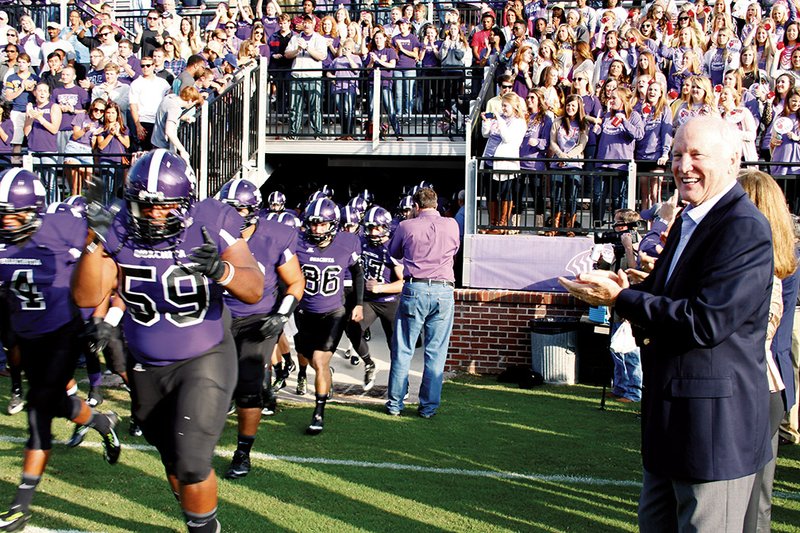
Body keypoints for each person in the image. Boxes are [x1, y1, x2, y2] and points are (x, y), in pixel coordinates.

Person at [560, 116, 774, 532]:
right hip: (670, 425)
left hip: (712, 434)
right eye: (677, 154)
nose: (683, 165)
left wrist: (621, 298)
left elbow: (705, 322)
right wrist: (623, 286)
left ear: (733, 161)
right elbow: (661, 298)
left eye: (697, 155)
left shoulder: (743, 227)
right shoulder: (690, 220)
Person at [71, 149, 264, 533]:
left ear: (186, 204)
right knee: (174, 463)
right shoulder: (116, 223)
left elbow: (254, 288)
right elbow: (86, 296)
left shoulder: (211, 218)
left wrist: (220, 269)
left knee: (192, 461)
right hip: (146, 365)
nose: (156, 214)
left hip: (203, 355)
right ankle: (199, 521)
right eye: (147, 206)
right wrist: (94, 240)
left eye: (167, 206)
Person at [0, 168, 121, 532]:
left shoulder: (61, 226)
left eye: (15, 214)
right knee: (57, 405)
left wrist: (97, 234)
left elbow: (107, 260)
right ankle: (103, 422)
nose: (7, 221)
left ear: (34, 211)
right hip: (26, 337)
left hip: (61, 335)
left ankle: (20, 506)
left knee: (38, 416)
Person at [216, 179, 303, 479]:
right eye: (227, 209)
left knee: (249, 386)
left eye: (238, 209)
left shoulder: (275, 236)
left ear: (252, 210)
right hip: (218, 316)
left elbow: (295, 282)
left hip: (257, 319)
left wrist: (281, 316)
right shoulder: (210, 234)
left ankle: (243, 451)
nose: (231, 216)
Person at [737, 169, 798, 533]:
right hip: (769, 384)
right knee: (756, 502)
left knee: (747, 502)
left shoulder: (765, 269)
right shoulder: (781, 262)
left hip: (754, 384)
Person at [386, 186, 460, 419]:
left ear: (416, 206)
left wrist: (410, 221)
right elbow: (455, 250)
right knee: (435, 353)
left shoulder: (406, 225)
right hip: (443, 289)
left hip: (415, 287)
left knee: (403, 350)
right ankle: (428, 408)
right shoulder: (452, 224)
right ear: (436, 204)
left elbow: (394, 251)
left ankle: (395, 405)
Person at [294, 197, 363, 434]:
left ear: (332, 224)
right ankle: (306, 373)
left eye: (322, 224)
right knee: (306, 355)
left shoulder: (348, 242)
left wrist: (359, 304)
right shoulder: (297, 242)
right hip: (304, 311)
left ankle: (318, 412)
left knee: (321, 360)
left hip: (333, 312)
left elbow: (358, 274)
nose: (317, 228)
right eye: (313, 223)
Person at [343, 205, 403, 391]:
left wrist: (381, 287)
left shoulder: (393, 247)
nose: (373, 232)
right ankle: (369, 363)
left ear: (386, 227)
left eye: (377, 228)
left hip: (391, 302)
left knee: (395, 346)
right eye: (369, 228)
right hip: (369, 300)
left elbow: (404, 282)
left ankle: (402, 383)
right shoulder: (362, 242)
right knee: (352, 329)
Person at [284, 14, 326, 140]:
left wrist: (307, 47)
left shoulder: (319, 39)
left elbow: (322, 56)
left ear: (314, 24)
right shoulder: (295, 38)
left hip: (313, 76)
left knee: (315, 107)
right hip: (297, 76)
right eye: (305, 22)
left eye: (309, 22)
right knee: (294, 107)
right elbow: (287, 54)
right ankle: (293, 133)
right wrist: (297, 50)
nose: (306, 24)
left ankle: (317, 133)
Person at [151, 85, 204, 162]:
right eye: (194, 104)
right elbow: (169, 131)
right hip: (163, 147)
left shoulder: (169, 98)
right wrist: (182, 150)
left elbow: (168, 115)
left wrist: (185, 117)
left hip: (155, 141)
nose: (192, 106)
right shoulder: (175, 108)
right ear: (190, 100)